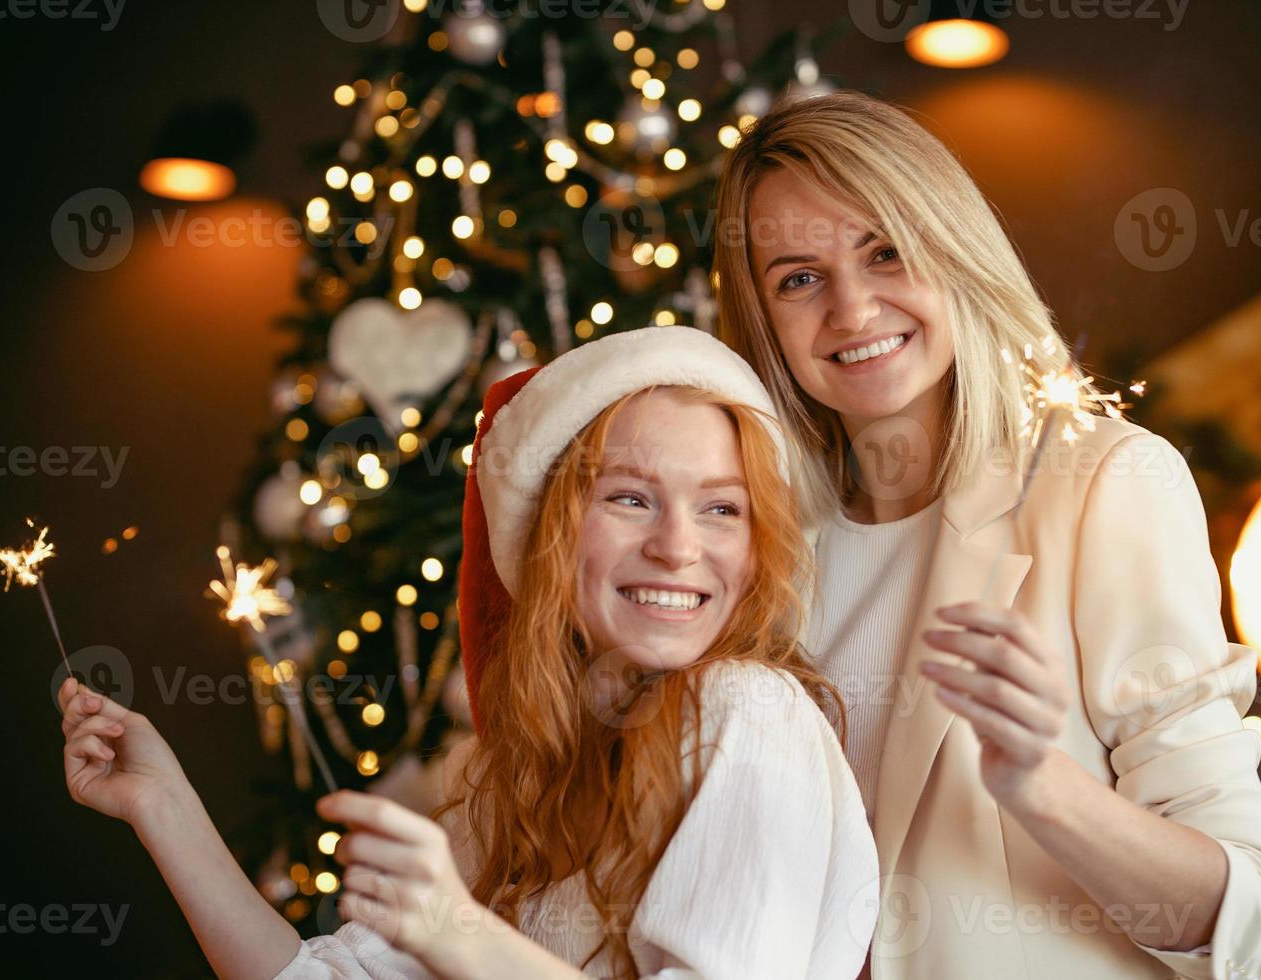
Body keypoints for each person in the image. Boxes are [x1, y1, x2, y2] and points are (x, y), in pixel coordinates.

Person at [59, 325, 878, 979]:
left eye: (722, 509)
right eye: (630, 497)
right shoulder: (521, 775)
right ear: (554, 535)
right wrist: (163, 808)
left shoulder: (748, 712)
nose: (676, 545)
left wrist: (456, 933)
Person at [710, 89, 1261, 980]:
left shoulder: (1104, 482)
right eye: (798, 277)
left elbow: (1243, 917)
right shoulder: (760, 544)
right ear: (763, 319)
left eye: (886, 251)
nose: (854, 309)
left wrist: (1041, 787)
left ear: (954, 250)